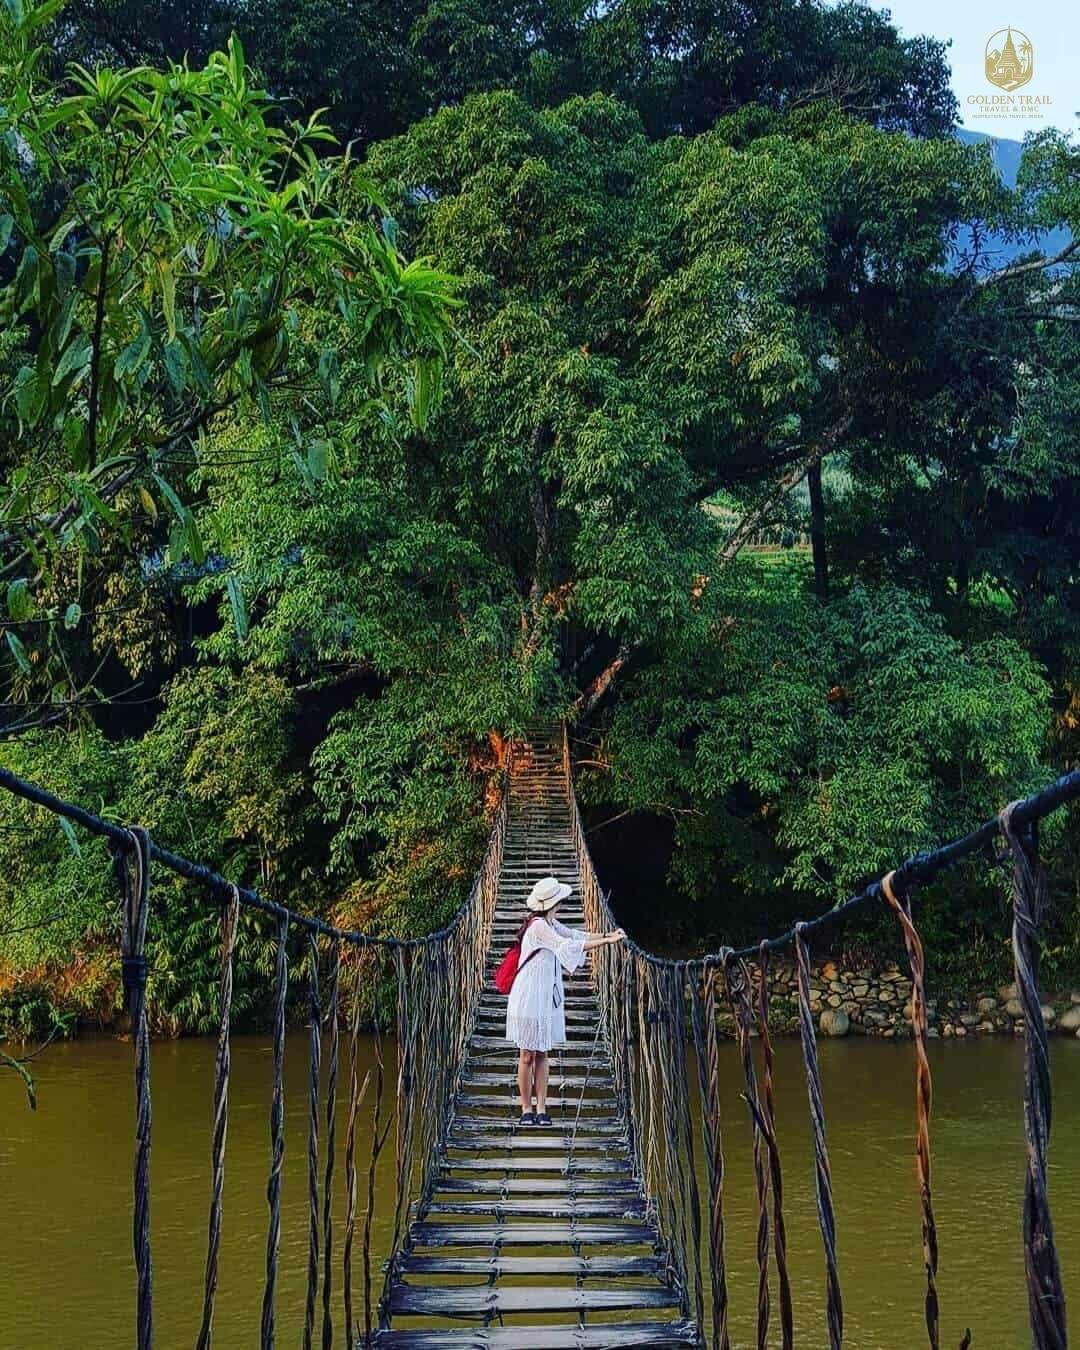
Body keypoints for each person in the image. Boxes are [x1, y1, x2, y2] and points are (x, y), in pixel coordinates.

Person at [505, 874, 626, 1126]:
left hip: (544, 997)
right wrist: (607, 941)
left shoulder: (550, 923)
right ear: (554, 902)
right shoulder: (538, 926)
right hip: (528, 996)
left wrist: (606, 934)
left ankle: (541, 1108)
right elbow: (565, 946)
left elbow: (575, 936)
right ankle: (526, 1109)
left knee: (543, 1052)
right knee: (527, 1053)